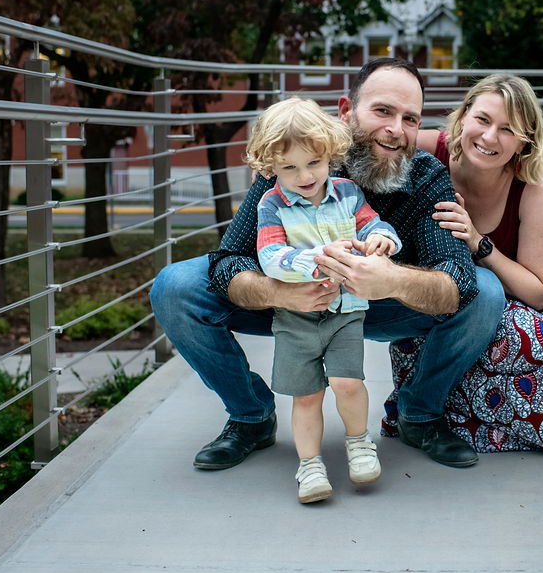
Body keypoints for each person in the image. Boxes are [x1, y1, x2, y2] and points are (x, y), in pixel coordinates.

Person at [149, 58, 505, 476]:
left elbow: (459, 281)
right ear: (345, 111)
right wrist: (282, 292)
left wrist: (393, 279)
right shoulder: (298, 158)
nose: (396, 129)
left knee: (486, 293)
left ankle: (419, 414)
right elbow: (229, 260)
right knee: (175, 286)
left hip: (384, 305)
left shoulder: (428, 177)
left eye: (410, 119)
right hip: (293, 300)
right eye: (383, 111)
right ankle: (251, 416)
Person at [381, 73, 543, 455]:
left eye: (508, 129)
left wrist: (477, 240)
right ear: (463, 116)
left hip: (518, 274)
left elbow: (538, 292)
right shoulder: (427, 148)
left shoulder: (533, 183)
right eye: (482, 119)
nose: (490, 137)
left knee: (506, 315)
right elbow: (359, 142)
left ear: (524, 142)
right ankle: (434, 408)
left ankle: (536, 419)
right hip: (449, 280)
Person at [246, 97, 401, 503]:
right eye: (289, 168)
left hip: (345, 313)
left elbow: (372, 224)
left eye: (313, 163)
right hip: (296, 318)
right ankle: (310, 465)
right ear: (271, 166)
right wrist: (317, 261)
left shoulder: (347, 193)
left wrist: (381, 238)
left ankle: (359, 443)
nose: (304, 176)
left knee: (348, 382)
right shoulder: (272, 204)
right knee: (307, 395)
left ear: (329, 155)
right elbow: (270, 256)